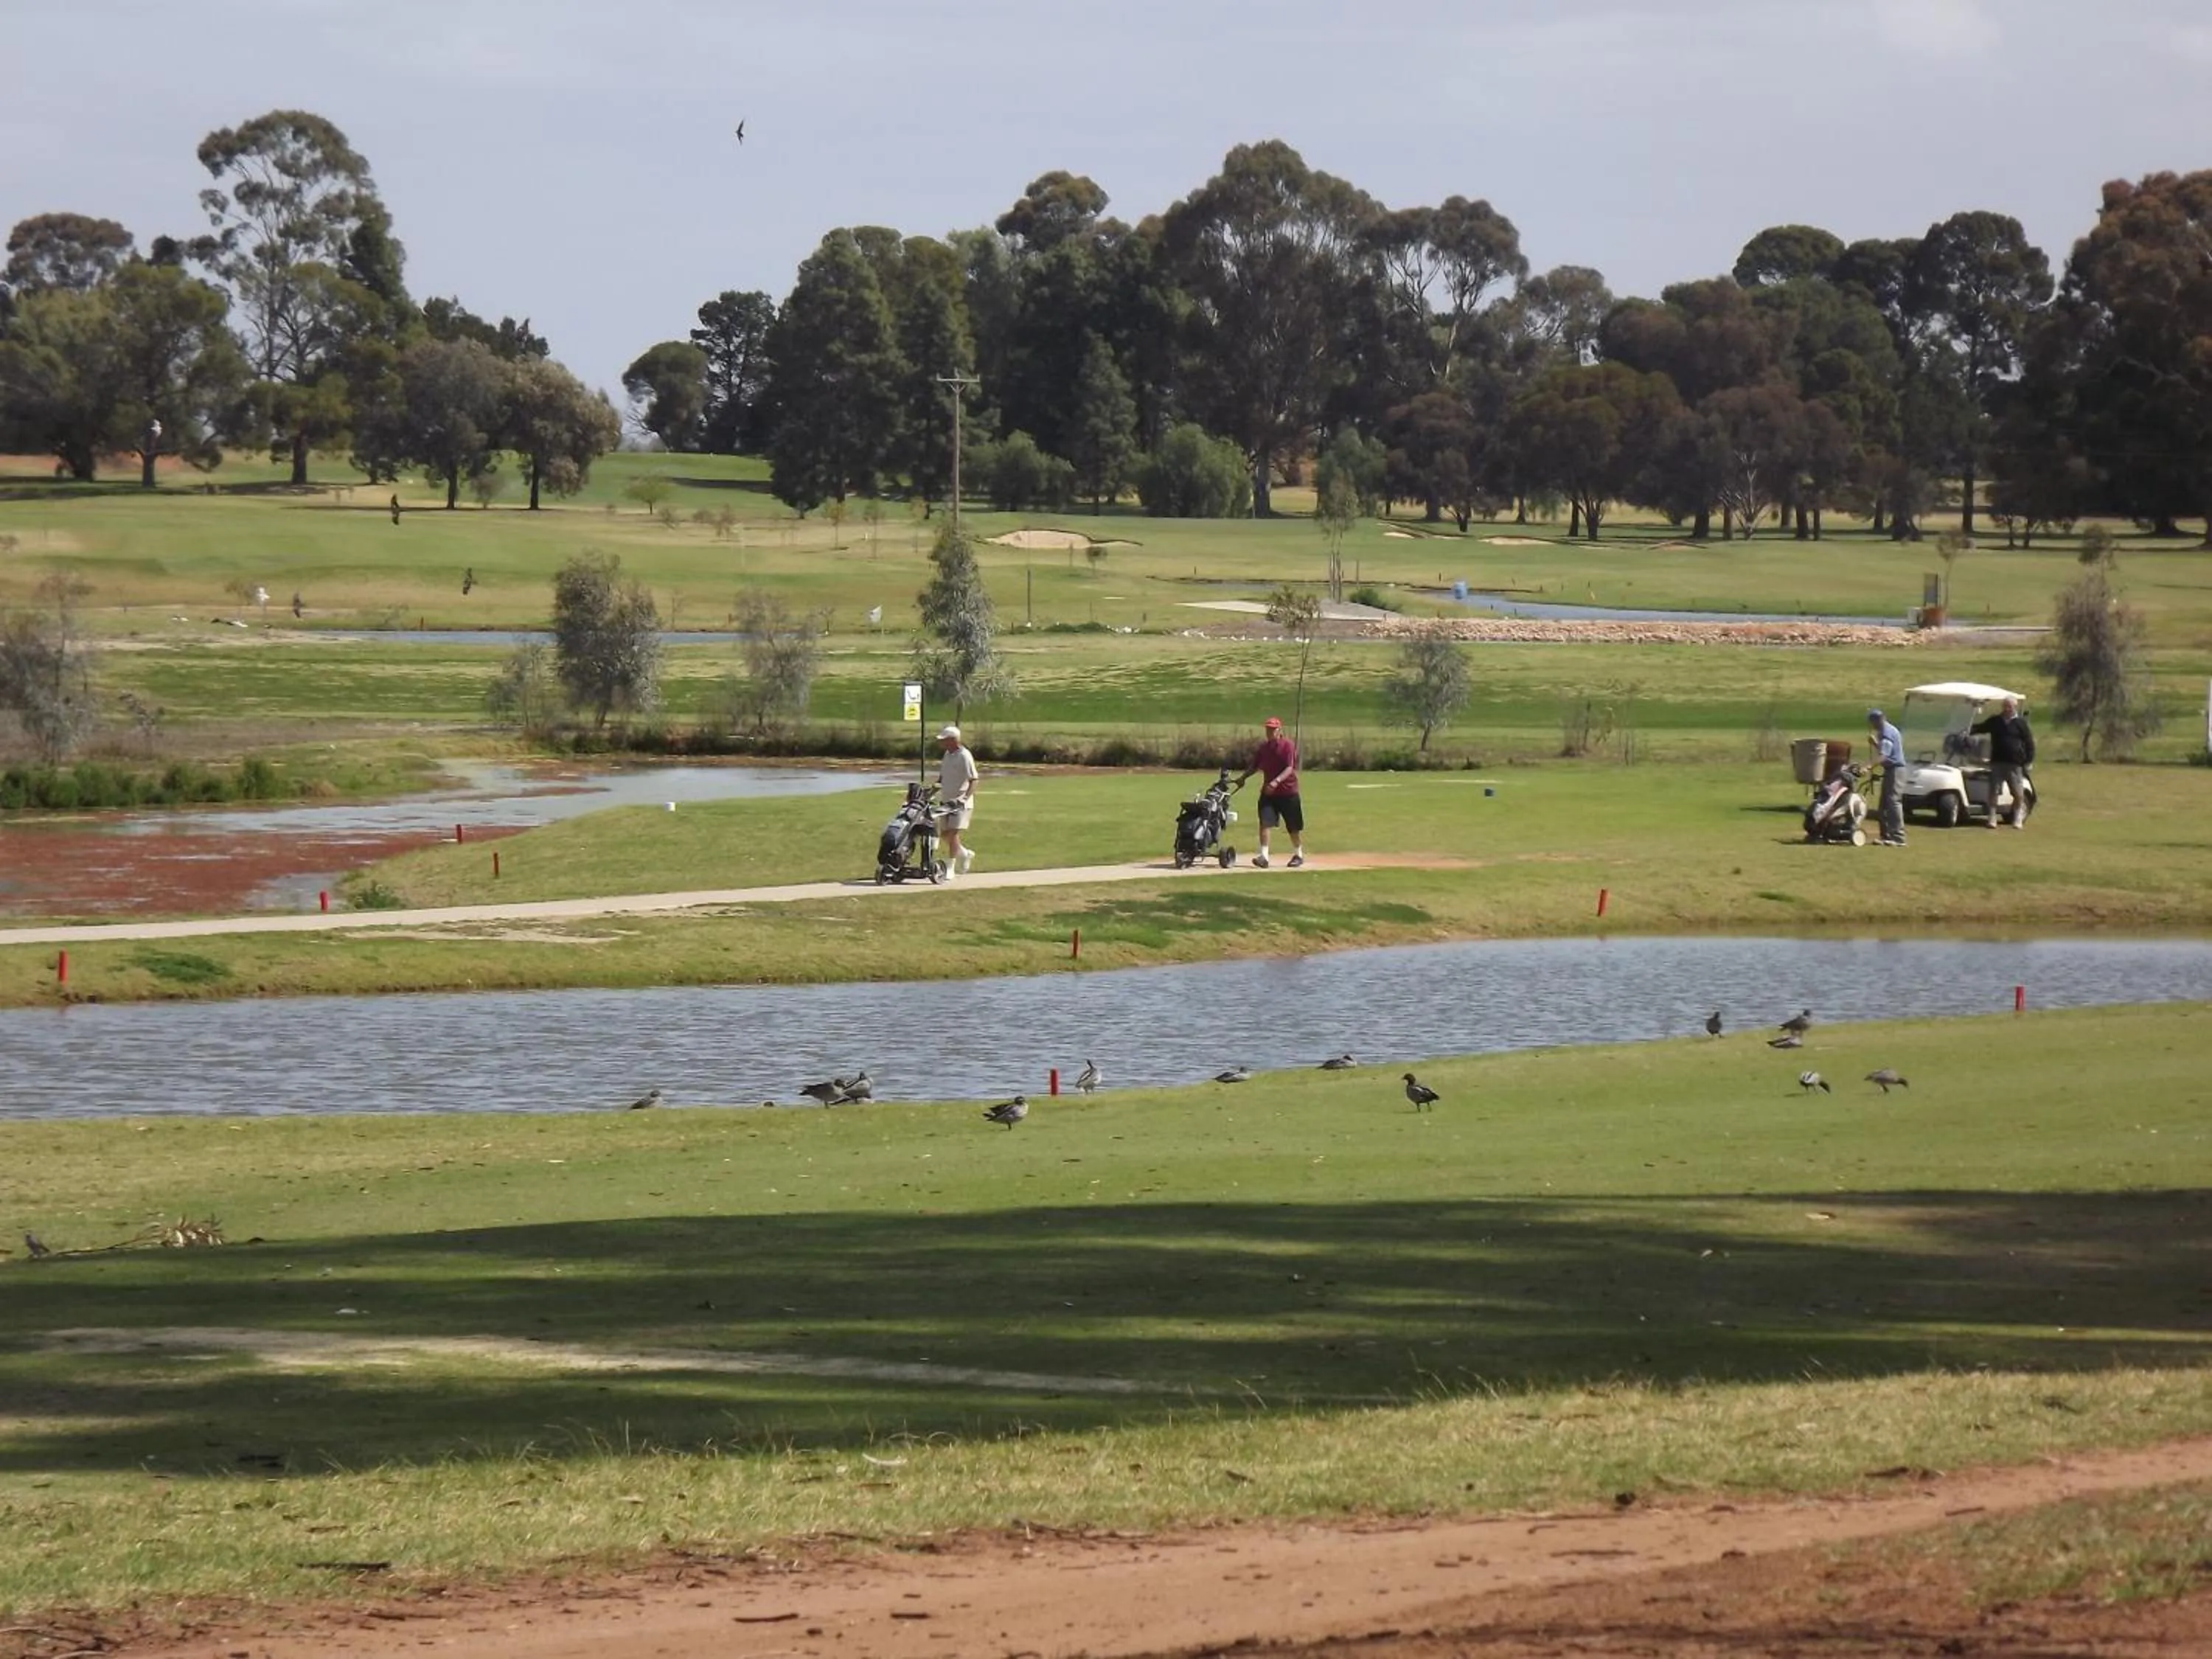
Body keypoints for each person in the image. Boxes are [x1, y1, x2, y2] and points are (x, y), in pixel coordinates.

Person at [1237, 715, 1305, 869]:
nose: (1270, 732)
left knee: (1293, 827)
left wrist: (1276, 781)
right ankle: (1264, 857)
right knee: (1265, 823)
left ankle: (1298, 854)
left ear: (1279, 730)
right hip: (1269, 793)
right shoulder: (1264, 748)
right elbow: (1255, 766)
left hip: (1288, 792)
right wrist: (1243, 778)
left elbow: (1289, 768)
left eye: (1273, 729)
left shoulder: (1288, 746)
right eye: (1268, 729)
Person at [1971, 695, 2035, 828]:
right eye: (2005, 706)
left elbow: (2029, 743)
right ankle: (1992, 818)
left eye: (2009, 707)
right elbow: (1980, 728)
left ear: (2014, 707)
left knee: (2018, 793)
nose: (2006, 709)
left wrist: (2028, 761)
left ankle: (2017, 817)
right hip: (1997, 762)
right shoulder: (1996, 721)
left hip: (2015, 764)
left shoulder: (2020, 724)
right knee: (1993, 791)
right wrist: (1967, 729)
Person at [935, 724, 978, 878]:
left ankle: (950, 868)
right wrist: (933, 790)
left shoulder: (965, 756)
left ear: (953, 740)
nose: (942, 743)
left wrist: (965, 798)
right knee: (945, 835)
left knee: (952, 834)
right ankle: (965, 854)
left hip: (960, 803)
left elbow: (974, 780)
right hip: (946, 802)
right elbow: (942, 777)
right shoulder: (947, 754)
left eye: (944, 740)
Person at [1866, 707, 1906, 846]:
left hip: (1896, 770)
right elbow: (1885, 751)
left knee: (1893, 802)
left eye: (1873, 721)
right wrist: (1875, 744)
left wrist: (1869, 766)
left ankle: (1898, 837)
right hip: (1891, 770)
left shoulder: (1887, 733)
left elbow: (1884, 756)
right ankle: (1886, 836)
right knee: (1884, 805)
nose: (1872, 725)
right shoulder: (1887, 731)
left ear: (1879, 719)